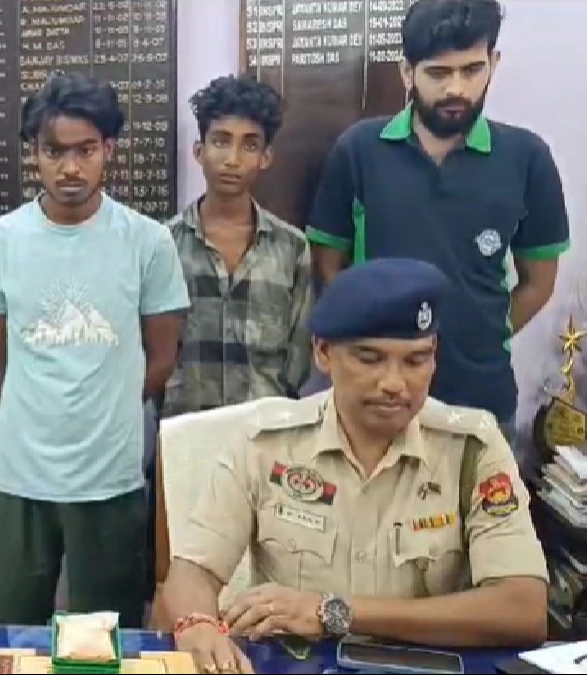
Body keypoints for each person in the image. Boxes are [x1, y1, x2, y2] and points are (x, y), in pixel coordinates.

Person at [161, 258, 549, 674]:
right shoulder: (265, 443)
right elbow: (193, 571)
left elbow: (523, 609)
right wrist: (197, 625)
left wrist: (335, 612)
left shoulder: (473, 447)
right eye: (370, 359)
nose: (394, 384)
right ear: (323, 352)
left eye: (416, 361)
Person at [0, 72, 190, 629]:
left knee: (106, 641)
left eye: (85, 150)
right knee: (6, 631)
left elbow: (162, 356)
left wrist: (108, 404)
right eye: (54, 151)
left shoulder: (147, 241)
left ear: (108, 149)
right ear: (34, 154)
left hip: (110, 477)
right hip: (20, 475)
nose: (70, 168)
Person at [306, 0, 569, 438]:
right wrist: (375, 339)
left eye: (471, 70)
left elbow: (539, 283)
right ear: (407, 72)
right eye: (438, 73)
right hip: (374, 400)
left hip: (479, 398)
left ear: (493, 63)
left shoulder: (528, 159)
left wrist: (484, 332)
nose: (456, 89)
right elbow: (327, 267)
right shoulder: (359, 151)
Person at [164, 74, 311, 417]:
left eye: (249, 145)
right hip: (186, 428)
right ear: (199, 151)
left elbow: (299, 353)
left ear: (266, 157)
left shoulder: (291, 248)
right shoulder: (164, 244)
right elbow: (152, 349)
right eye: (220, 141)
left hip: (265, 428)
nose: (232, 159)